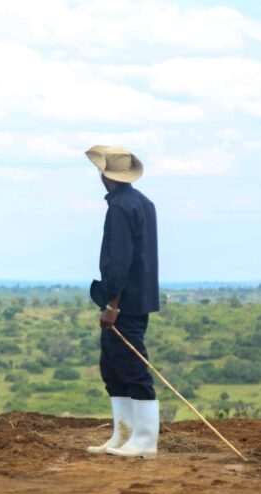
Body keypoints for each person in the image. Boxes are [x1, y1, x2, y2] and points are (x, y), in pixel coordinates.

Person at [84, 145, 160, 459]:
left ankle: (144, 440)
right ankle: (123, 435)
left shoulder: (120, 208)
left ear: (105, 174)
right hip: (135, 299)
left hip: (124, 303)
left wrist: (112, 305)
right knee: (112, 367)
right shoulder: (142, 202)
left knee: (131, 368)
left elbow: (120, 261)